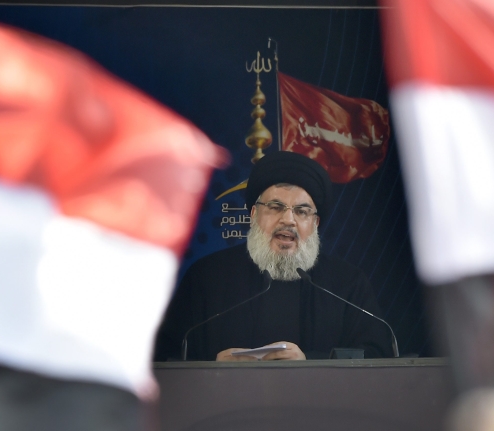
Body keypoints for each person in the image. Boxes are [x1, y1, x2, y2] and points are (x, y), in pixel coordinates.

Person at [154, 151, 393, 361]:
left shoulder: (346, 284)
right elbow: (168, 357)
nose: (288, 220)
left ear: (315, 223)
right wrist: (214, 367)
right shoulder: (207, 276)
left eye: (302, 211)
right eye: (275, 207)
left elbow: (378, 357)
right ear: (254, 214)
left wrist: (310, 362)